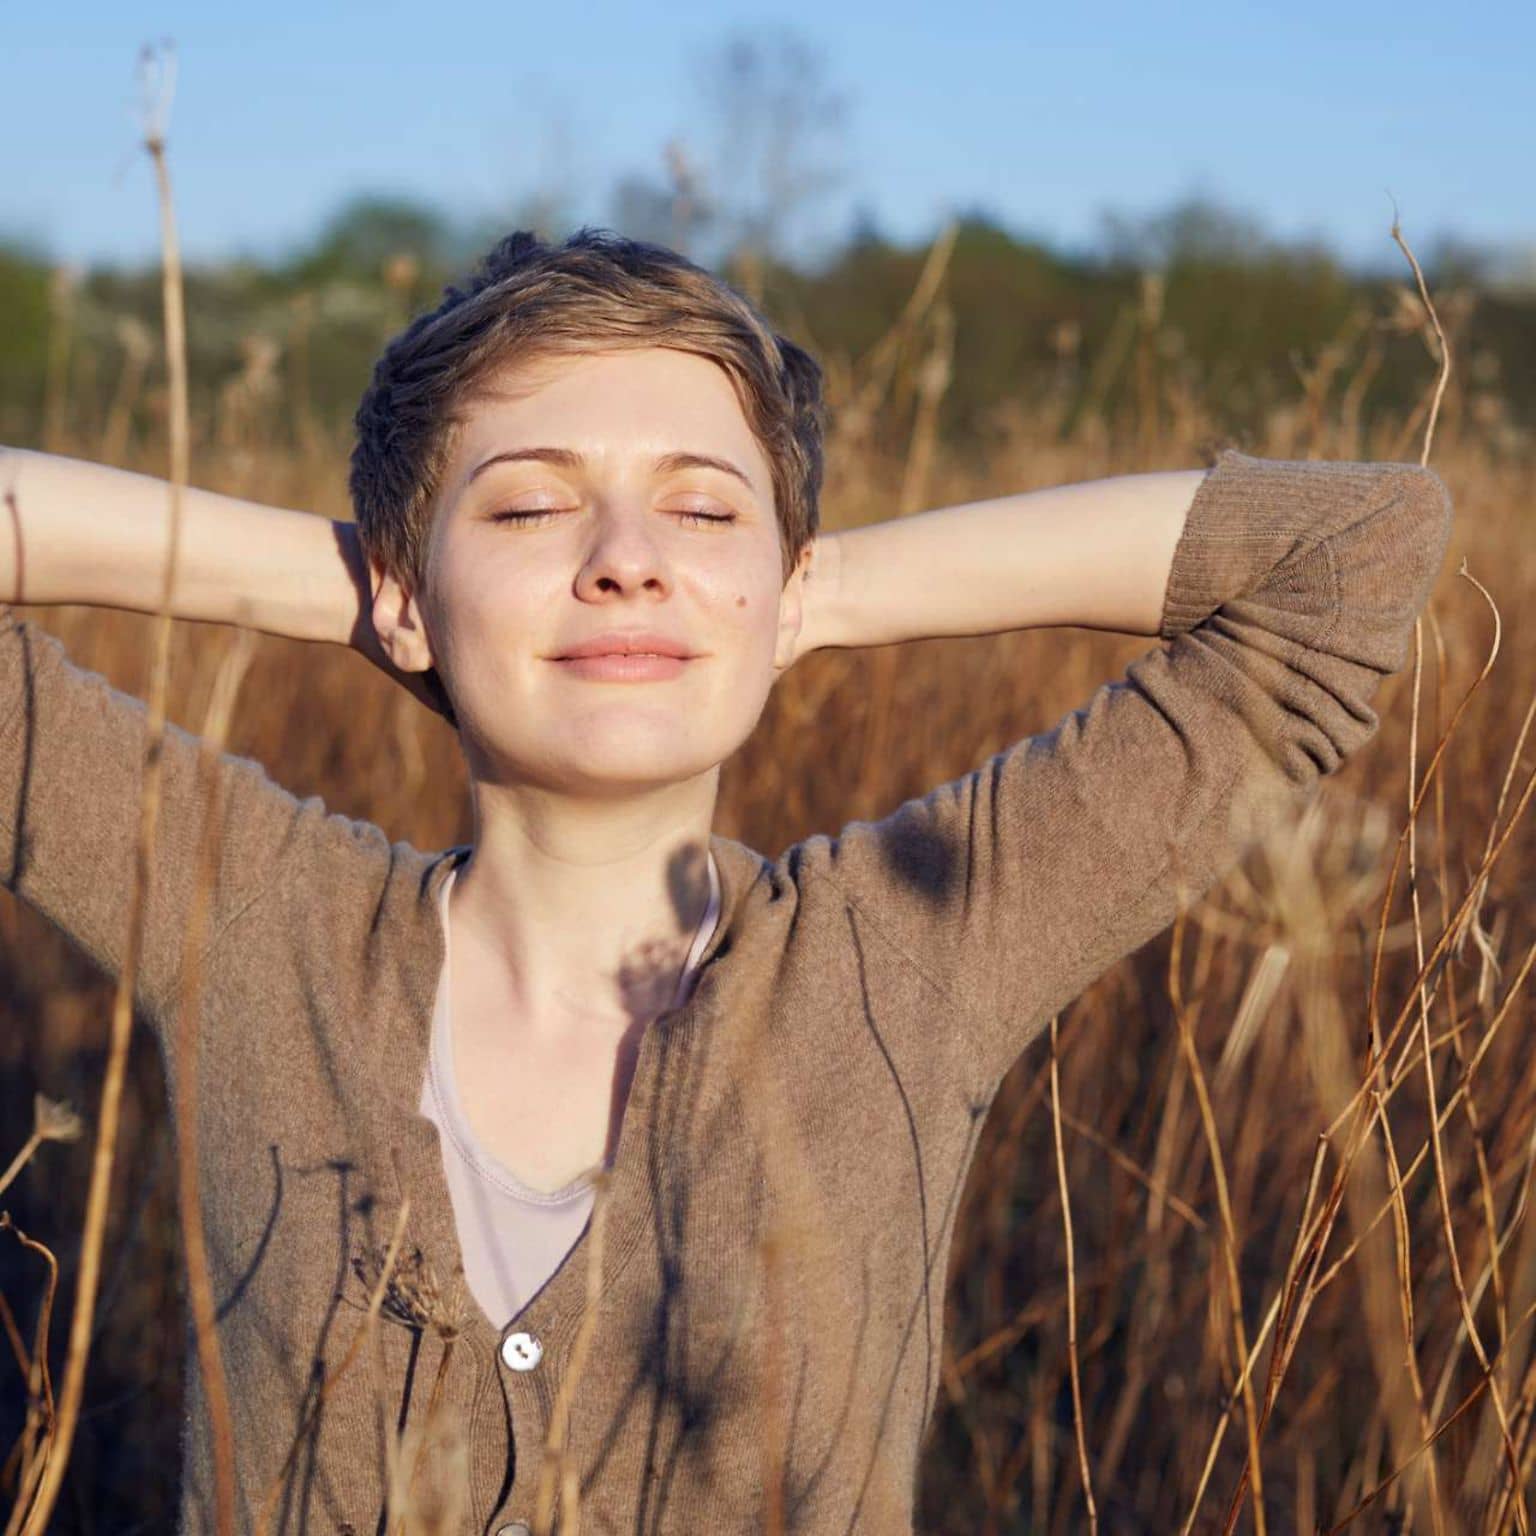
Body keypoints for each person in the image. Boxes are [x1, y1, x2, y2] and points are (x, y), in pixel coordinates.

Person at [0, 226, 1453, 1535]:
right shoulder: (256, 922)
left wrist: (806, 602)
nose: (629, 561)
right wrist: (376, 595)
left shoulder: (919, 946)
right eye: (525, 512)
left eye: (703, 513)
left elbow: (1352, 555)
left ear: (789, 575)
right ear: (404, 588)